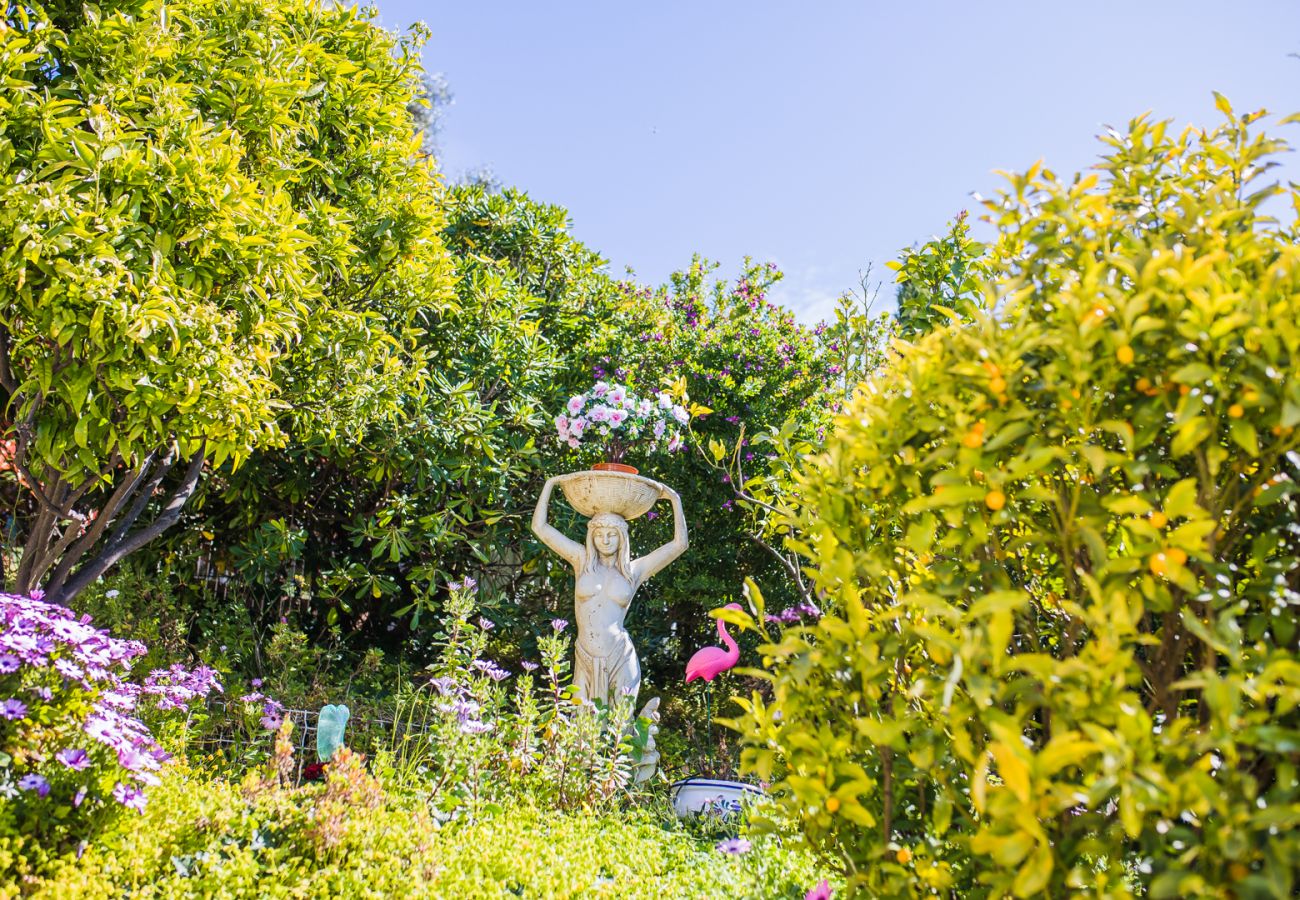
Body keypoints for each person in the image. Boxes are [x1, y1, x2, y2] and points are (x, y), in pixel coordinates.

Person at [531, 473, 687, 705]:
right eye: (599, 535)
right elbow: (540, 528)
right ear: (591, 537)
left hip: (620, 656)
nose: (605, 540)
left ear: (622, 538)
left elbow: (679, 545)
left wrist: (674, 499)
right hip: (585, 655)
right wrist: (550, 484)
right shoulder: (581, 561)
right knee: (582, 730)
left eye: (612, 534)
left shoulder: (633, 571)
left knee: (620, 727)